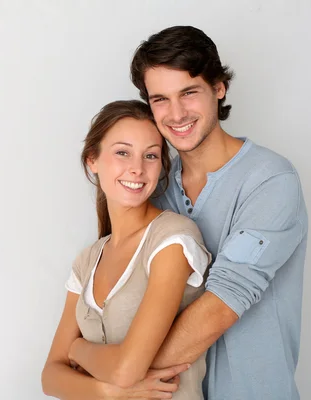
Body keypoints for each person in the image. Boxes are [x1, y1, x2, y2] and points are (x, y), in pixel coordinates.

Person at [129, 26, 309, 399]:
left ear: (219, 87)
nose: (175, 114)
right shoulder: (153, 189)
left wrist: (117, 377)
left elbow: (221, 305)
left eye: (189, 93)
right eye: (160, 99)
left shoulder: (271, 180)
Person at [41, 100, 213, 399]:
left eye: (150, 155)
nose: (137, 168)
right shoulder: (87, 261)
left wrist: (77, 348)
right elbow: (50, 378)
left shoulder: (173, 239)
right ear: (92, 160)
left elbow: (127, 370)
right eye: (123, 152)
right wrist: (110, 393)